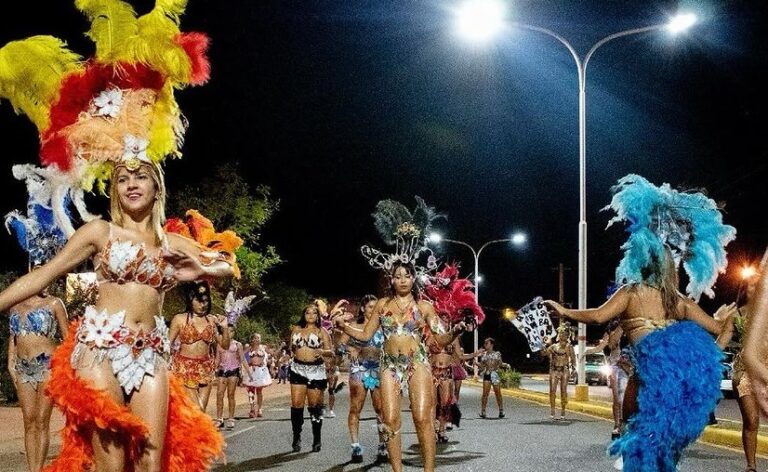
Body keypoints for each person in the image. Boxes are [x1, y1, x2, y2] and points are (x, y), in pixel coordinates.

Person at [545, 174, 737, 472]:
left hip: (645, 383)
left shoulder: (631, 293)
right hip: (676, 389)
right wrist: (711, 357)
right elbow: (719, 330)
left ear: (640, 260)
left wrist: (564, 311)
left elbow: (596, 316)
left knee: (636, 444)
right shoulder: (679, 301)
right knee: (666, 453)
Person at [334, 262, 468, 472]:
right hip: (389, 365)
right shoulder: (382, 305)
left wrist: (455, 332)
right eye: (398, 276)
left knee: (422, 418)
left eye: (407, 275)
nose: (403, 280)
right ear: (392, 280)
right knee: (390, 419)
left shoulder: (424, 307)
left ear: (414, 279)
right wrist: (344, 327)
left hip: (417, 362)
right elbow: (365, 335)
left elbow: (440, 339)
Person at [7, 292, 69, 472]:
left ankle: (38, 469)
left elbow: (67, 338)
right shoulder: (15, 305)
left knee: (42, 420)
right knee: (29, 421)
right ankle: (31, 468)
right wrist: (10, 362)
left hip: (47, 365)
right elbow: (14, 338)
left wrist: (65, 368)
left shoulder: (55, 303)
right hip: (22, 367)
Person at [336, 294, 388, 463]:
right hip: (360, 369)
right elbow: (339, 347)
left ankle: (382, 446)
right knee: (355, 408)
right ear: (364, 309)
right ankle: (356, 446)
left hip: (378, 370)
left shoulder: (384, 327)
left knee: (380, 409)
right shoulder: (354, 326)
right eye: (371, 307)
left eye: (376, 307)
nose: (374, 310)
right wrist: (349, 349)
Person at [169, 281, 230, 410]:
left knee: (201, 410)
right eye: (199, 300)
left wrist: (225, 328)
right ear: (191, 300)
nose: (203, 304)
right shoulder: (179, 319)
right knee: (197, 409)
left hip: (206, 368)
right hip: (185, 368)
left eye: (206, 301)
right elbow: (167, 344)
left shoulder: (212, 320)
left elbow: (225, 345)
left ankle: (188, 430)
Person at [289, 300, 339, 453]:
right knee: (297, 404)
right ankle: (296, 436)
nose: (311, 315)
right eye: (308, 312)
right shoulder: (296, 329)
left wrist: (322, 352)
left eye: (314, 313)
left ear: (318, 316)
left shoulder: (321, 331)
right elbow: (291, 347)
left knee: (314, 406)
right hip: (297, 369)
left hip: (316, 371)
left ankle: (316, 438)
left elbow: (331, 352)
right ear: (304, 315)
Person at [731, 268, 764, 472]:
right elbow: (720, 338)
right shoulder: (736, 314)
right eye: (752, 285)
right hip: (745, 372)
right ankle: (751, 466)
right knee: (751, 420)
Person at [213, 326, 250, 430]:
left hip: (233, 371)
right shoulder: (220, 344)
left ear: (233, 333)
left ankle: (230, 418)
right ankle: (219, 419)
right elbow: (217, 359)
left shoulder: (237, 345)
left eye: (230, 332)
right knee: (219, 394)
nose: (228, 334)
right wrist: (212, 371)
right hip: (222, 371)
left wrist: (249, 373)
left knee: (231, 394)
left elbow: (243, 359)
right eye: (226, 332)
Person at [542, 329, 576, 420]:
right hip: (554, 370)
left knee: (563, 390)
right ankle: (552, 411)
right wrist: (543, 346)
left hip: (564, 370)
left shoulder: (569, 347)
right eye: (561, 334)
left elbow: (573, 358)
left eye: (564, 334)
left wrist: (574, 369)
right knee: (552, 390)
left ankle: (563, 411)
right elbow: (544, 353)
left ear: (567, 337)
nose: (562, 336)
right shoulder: (553, 346)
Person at [243, 333, 272, 418]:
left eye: (259, 338)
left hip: (260, 371)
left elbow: (273, 353)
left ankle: (259, 409)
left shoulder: (264, 347)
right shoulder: (249, 348)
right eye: (255, 338)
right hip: (251, 370)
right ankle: (252, 409)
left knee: (259, 391)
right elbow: (241, 355)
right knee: (251, 391)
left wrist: (281, 347)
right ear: (252, 339)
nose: (257, 339)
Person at [477, 337, 505, 419]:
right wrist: (476, 364)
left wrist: (506, 365)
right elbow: (482, 366)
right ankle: (483, 411)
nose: (485, 345)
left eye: (487, 343)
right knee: (485, 394)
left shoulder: (497, 354)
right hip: (487, 374)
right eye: (485, 343)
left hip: (495, 374)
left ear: (491, 344)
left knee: (498, 393)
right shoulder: (484, 354)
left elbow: (500, 363)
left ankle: (501, 410)